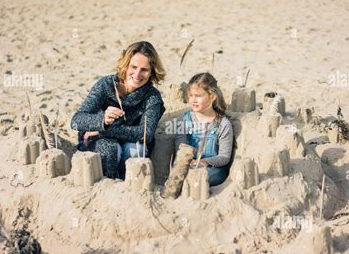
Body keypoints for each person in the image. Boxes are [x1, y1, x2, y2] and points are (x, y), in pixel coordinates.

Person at [71, 41, 166, 179]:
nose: (137, 74)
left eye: (144, 70)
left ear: (151, 72)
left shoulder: (152, 97)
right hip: (99, 143)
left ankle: (124, 184)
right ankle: (108, 183)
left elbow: (146, 134)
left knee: (137, 150)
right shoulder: (106, 85)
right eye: (133, 67)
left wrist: (103, 130)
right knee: (110, 148)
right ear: (126, 65)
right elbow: (76, 121)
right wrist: (102, 120)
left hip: (126, 143)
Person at [174, 72, 234, 186]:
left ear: (212, 96)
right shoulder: (185, 119)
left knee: (202, 178)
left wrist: (204, 162)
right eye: (190, 95)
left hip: (212, 167)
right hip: (189, 163)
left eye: (198, 96)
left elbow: (224, 157)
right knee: (180, 174)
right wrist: (185, 159)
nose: (193, 100)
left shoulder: (223, 124)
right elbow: (180, 142)